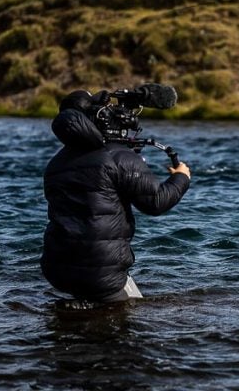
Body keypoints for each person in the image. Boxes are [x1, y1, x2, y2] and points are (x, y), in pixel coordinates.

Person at [41, 90, 191, 304]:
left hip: (56, 269)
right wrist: (181, 178)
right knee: (127, 315)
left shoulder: (56, 162)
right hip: (101, 273)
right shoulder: (118, 156)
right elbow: (156, 202)